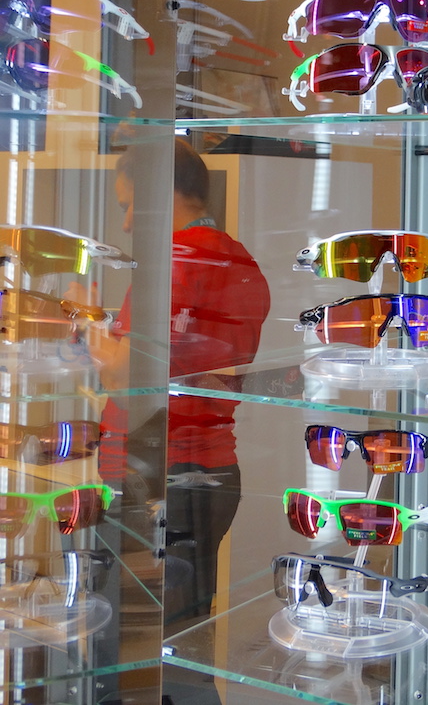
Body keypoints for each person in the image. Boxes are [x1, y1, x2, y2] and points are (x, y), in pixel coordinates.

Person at [89, 138, 270, 630]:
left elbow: (124, 381)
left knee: (125, 642)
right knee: (183, 638)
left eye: (128, 205)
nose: (126, 224)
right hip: (211, 472)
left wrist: (90, 332)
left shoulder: (172, 263)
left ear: (157, 191)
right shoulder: (240, 260)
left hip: (153, 479)